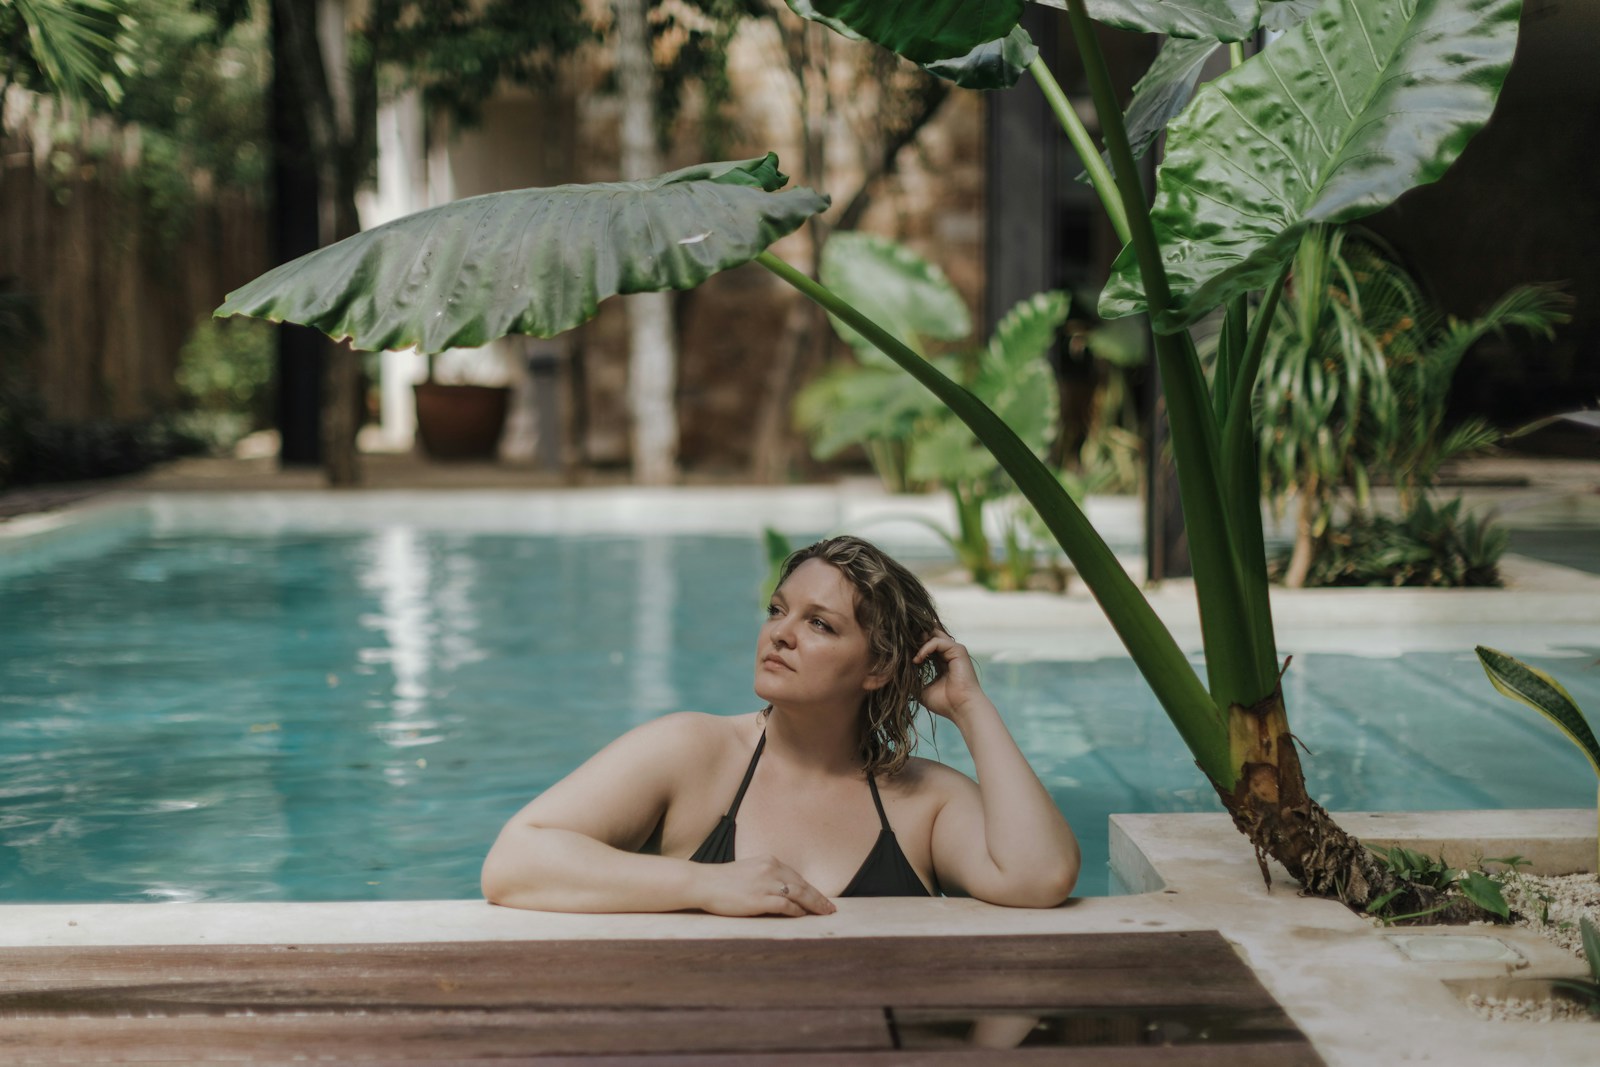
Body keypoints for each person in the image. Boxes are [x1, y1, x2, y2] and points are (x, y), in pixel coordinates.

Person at [482, 535, 1079, 916]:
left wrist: (972, 709)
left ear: (877, 667)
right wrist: (707, 887)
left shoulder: (924, 801)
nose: (780, 633)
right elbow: (515, 862)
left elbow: (1040, 877)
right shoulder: (694, 752)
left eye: (819, 624)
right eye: (778, 610)